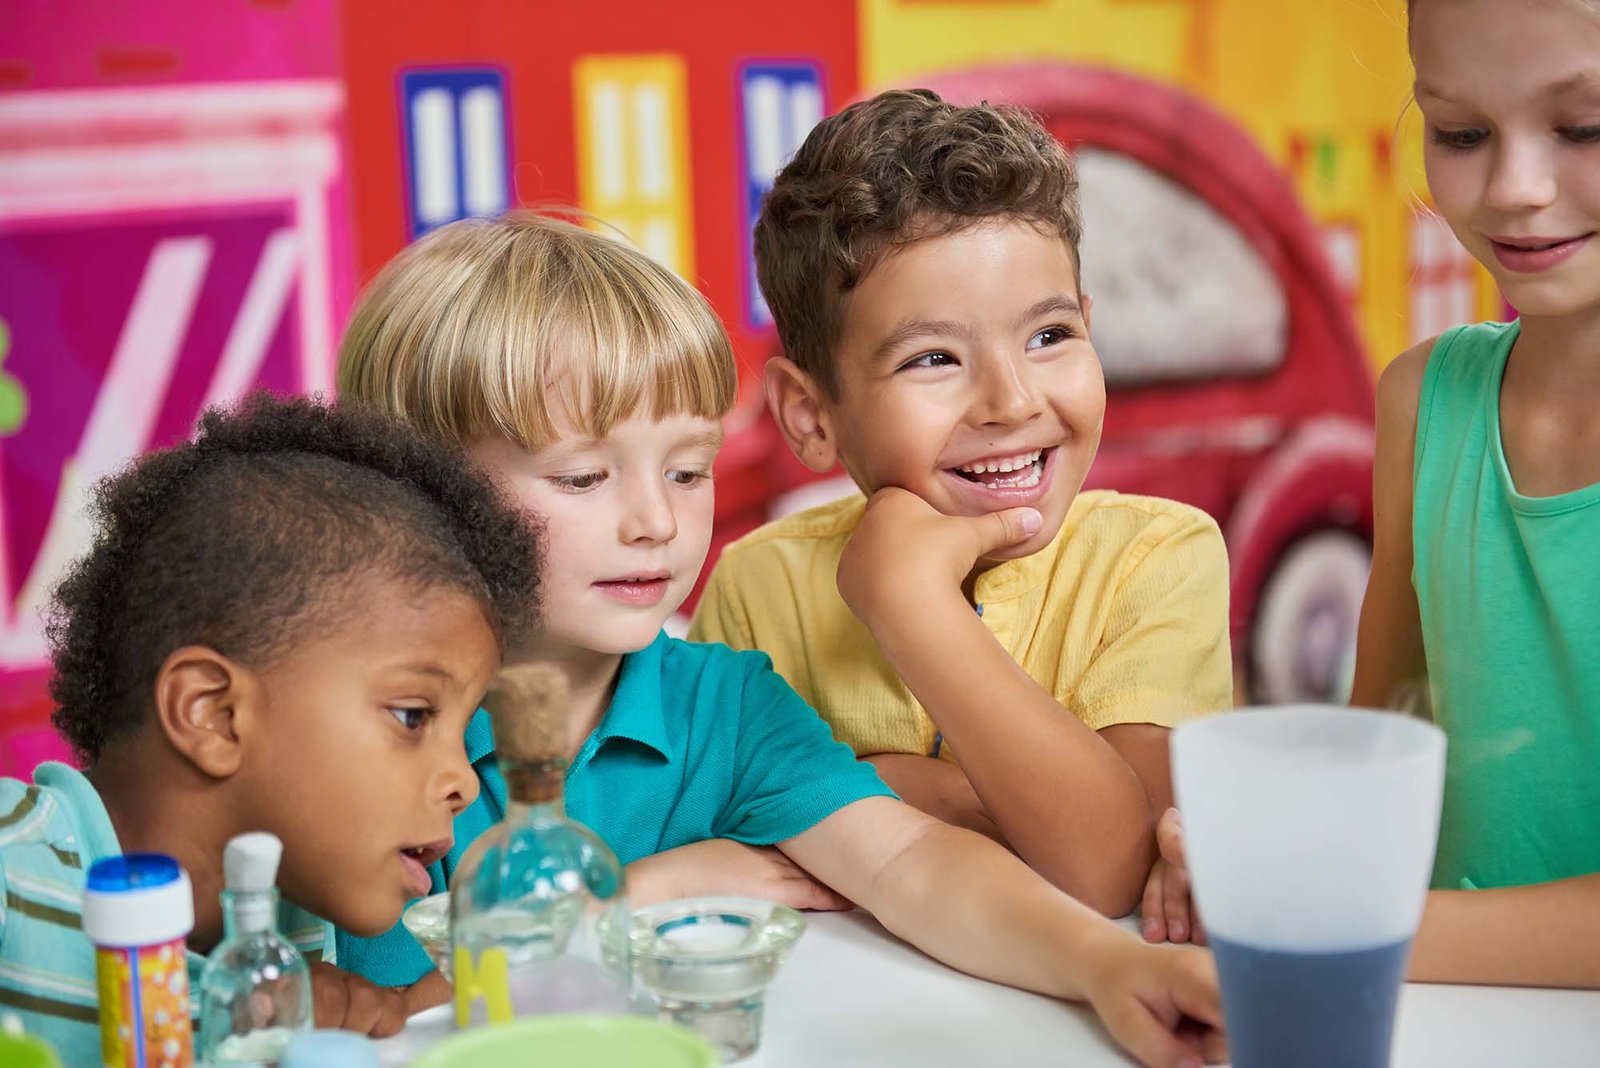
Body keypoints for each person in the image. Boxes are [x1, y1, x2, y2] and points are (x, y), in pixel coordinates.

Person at [338, 212, 1227, 1068]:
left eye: (688, 470)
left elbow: (916, 862)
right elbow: (386, 1016)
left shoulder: (725, 703)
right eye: (583, 477)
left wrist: (1110, 968)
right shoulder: (360, 730)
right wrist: (651, 888)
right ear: (418, 489)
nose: (657, 521)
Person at [689, 88, 1233, 921]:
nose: (1012, 401)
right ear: (812, 415)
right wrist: (978, 807)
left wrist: (909, 610)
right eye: (933, 358)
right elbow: (718, 846)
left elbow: (1114, 867)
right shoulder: (756, 587)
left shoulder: (1157, 557)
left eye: (1050, 337)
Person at [0, 393, 542, 1062]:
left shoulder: (293, 927)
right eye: (413, 716)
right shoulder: (10, 868)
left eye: (462, 731)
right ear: (215, 715)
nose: (463, 780)